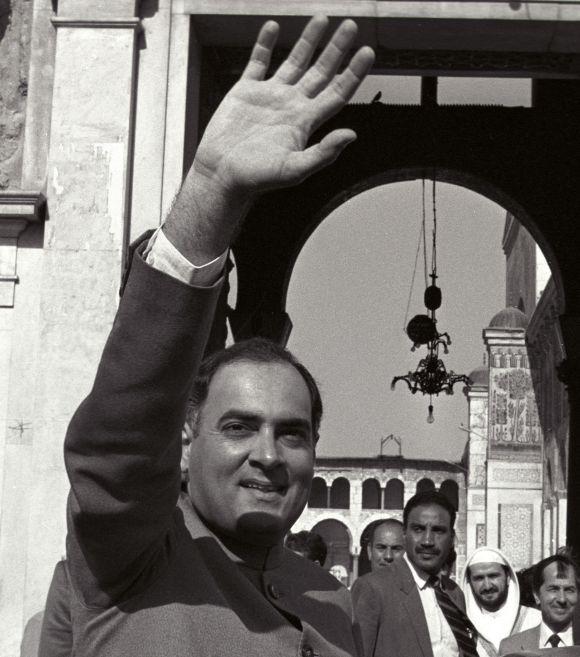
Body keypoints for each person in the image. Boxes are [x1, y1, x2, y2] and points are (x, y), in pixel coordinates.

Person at [63, 14, 374, 657]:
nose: (269, 455)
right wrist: (212, 190)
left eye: (293, 433)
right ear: (184, 440)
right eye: (238, 427)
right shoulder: (130, 559)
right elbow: (118, 441)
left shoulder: (330, 602)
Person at [352, 490, 478, 657]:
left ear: (452, 538)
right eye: (418, 529)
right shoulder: (374, 588)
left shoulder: (453, 594)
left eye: (438, 531)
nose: (427, 541)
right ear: (405, 534)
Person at [462, 547, 541, 657]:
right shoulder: (462, 625)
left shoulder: (535, 619)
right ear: (469, 582)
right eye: (479, 578)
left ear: (508, 577)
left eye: (493, 576)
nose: (487, 586)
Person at [498, 555, 579, 654]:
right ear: (536, 595)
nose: (562, 599)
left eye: (569, 590)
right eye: (553, 589)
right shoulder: (511, 647)